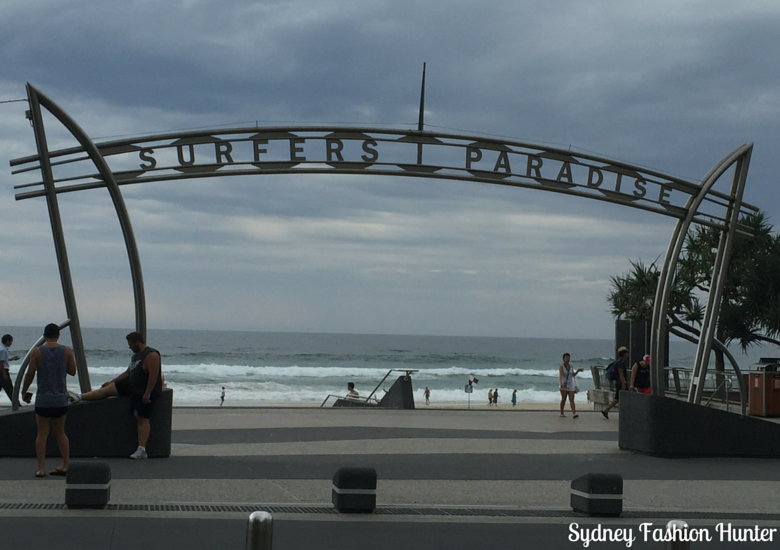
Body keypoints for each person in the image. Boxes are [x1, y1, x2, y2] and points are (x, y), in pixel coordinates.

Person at [73, 332, 162, 460]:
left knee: (142, 418)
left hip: (143, 390)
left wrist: (148, 392)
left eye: (130, 344)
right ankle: (79, 397)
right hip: (132, 384)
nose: (129, 347)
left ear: (137, 342)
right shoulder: (136, 356)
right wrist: (112, 381)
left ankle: (142, 450)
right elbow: (128, 372)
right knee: (107, 390)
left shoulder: (151, 355)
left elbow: (154, 375)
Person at [20, 323, 77, 478]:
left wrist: (23, 391)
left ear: (44, 336)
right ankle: (65, 464)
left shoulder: (37, 352)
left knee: (42, 434)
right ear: (58, 335)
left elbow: (30, 374)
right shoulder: (66, 350)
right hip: (60, 399)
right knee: (60, 433)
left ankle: (41, 468)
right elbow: (72, 371)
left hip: (43, 399)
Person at [601, 347, 629, 419]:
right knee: (619, 398)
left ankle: (606, 410)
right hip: (620, 383)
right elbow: (621, 374)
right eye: (626, 353)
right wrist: (623, 383)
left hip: (619, 382)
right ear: (624, 354)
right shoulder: (620, 363)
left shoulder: (619, 362)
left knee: (619, 398)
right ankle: (606, 410)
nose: (627, 354)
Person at [559, 353, 583, 418]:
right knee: (563, 399)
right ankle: (561, 412)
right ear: (563, 359)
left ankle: (574, 413)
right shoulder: (561, 366)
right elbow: (560, 375)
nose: (567, 359)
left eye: (568, 358)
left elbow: (573, 374)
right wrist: (561, 383)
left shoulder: (571, 366)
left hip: (570, 384)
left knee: (572, 399)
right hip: (564, 385)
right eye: (566, 357)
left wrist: (578, 370)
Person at [1, 334, 20, 404]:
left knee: (8, 388)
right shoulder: (3, 350)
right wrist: (4, 373)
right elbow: (1, 362)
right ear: (7, 341)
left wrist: (11, 359)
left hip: (2, 371)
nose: (11, 343)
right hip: (3, 371)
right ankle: (16, 404)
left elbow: (3, 360)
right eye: (11, 341)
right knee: (10, 389)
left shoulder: (3, 349)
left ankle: (16, 403)